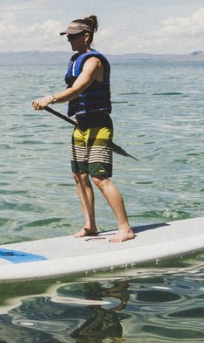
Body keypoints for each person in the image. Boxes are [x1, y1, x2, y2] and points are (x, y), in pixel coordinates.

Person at [31, 15, 135, 243]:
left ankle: (125, 228)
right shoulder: (76, 59)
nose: (69, 40)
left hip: (99, 126)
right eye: (68, 36)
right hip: (81, 125)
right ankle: (90, 226)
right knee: (79, 176)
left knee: (100, 178)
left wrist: (50, 98)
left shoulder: (93, 62)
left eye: (73, 36)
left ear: (85, 36)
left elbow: (78, 89)